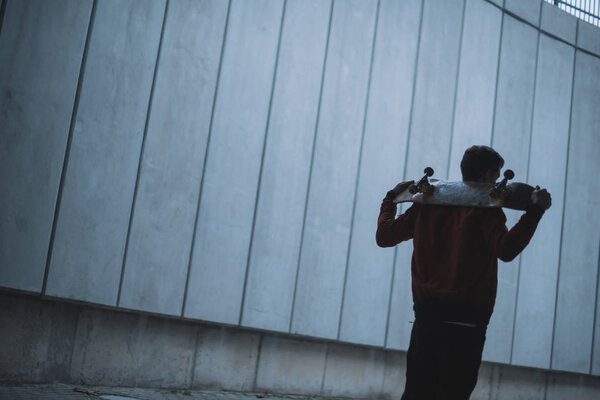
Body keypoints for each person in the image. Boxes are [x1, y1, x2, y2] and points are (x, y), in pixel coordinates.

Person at [376, 145, 551, 400]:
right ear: (489, 175)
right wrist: (535, 212)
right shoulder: (485, 210)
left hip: (427, 318)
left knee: (417, 392)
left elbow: (384, 236)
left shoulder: (427, 204)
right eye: (496, 175)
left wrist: (390, 200)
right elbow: (506, 249)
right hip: (468, 323)